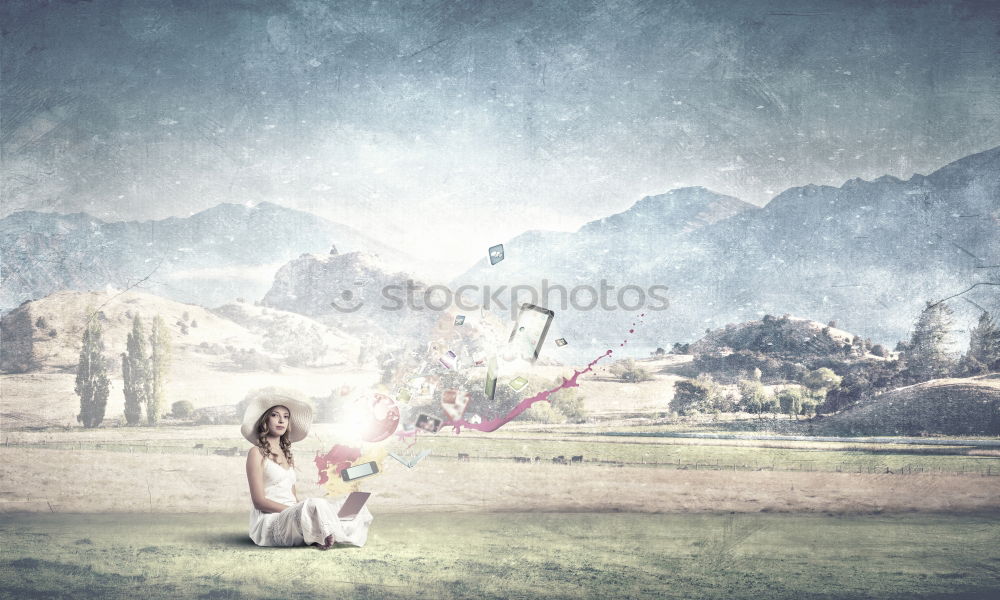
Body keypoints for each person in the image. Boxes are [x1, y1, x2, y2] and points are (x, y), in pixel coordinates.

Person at [242, 390, 373, 549]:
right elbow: (259, 502)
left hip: (294, 515)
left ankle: (327, 529)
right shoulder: (256, 453)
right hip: (271, 520)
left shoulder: (287, 456)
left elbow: (293, 498)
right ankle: (325, 530)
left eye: (286, 416)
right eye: (275, 415)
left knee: (351, 502)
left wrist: (302, 509)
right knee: (315, 504)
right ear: (265, 420)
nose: (281, 420)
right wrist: (301, 509)